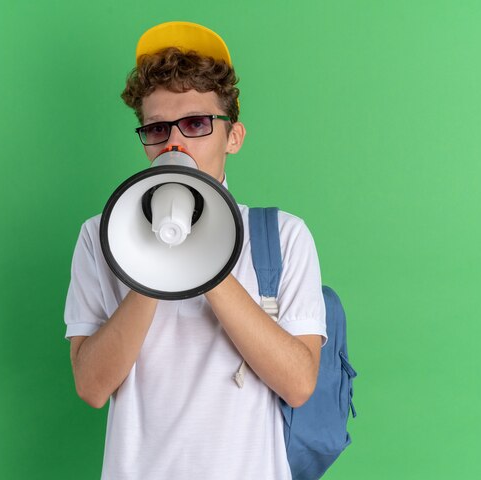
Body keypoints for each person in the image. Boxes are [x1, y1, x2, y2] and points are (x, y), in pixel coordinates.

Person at [64, 21, 327, 480]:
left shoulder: (281, 236)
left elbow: (300, 384)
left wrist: (205, 259)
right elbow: (91, 387)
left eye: (196, 123)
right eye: (157, 128)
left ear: (233, 136)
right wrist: (152, 262)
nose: (175, 142)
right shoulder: (101, 236)